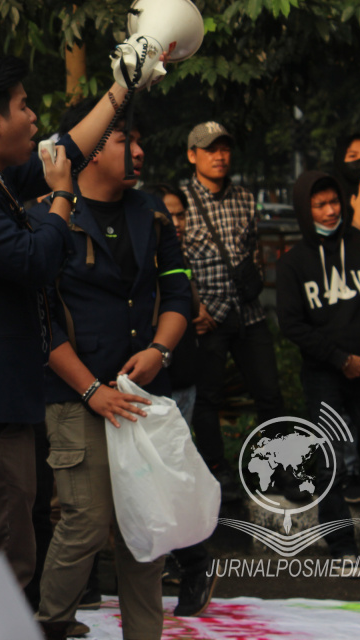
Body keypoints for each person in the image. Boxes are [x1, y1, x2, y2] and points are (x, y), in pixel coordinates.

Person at [0, 54, 150, 594]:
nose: (33, 116)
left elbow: (64, 149)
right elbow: (35, 260)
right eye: (23, 106)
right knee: (7, 557)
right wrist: (64, 195)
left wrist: (120, 90)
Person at [31, 106, 191, 639]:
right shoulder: (51, 215)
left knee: (145, 527)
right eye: (126, 139)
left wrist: (160, 352)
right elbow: (39, 319)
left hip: (144, 396)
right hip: (76, 395)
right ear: (93, 146)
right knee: (86, 522)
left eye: (141, 140)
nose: (140, 151)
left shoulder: (153, 213)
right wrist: (92, 389)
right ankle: (51, 623)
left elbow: (179, 294)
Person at [276, 171, 360, 575]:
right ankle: (341, 548)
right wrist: (340, 358)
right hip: (323, 375)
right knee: (330, 465)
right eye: (320, 205)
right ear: (306, 211)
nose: (330, 210)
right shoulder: (293, 263)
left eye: (334, 202)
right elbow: (291, 324)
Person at [181, 122, 285, 500]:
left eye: (224, 148)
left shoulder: (244, 197)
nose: (220, 156)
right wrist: (194, 306)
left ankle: (281, 468)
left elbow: (254, 247)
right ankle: (217, 470)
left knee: (269, 394)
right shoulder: (183, 202)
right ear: (192, 155)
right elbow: (177, 260)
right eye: (210, 149)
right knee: (207, 398)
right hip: (208, 315)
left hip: (250, 312)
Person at [143, 182, 218, 616]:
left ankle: (194, 564)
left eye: (177, 215)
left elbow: (185, 307)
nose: (171, 223)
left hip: (167, 379)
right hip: (116, 377)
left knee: (167, 479)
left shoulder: (169, 259)